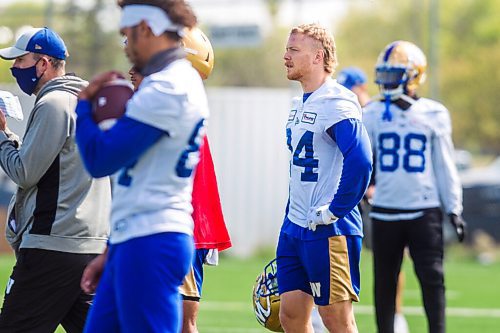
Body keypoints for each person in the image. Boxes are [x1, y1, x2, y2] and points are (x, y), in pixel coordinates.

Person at [75, 1, 209, 332]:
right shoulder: (169, 81)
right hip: (135, 237)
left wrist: (83, 107)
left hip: (152, 240)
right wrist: (113, 248)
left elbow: (100, 158)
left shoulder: (168, 87)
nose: (125, 46)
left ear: (146, 28)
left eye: (127, 35)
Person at [0, 27, 110, 332]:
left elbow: (25, 172)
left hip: (53, 246)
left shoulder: (53, 103)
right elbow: (54, 167)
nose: (14, 68)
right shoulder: (87, 102)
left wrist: (1, 137)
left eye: (20, 61)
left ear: (43, 63)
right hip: (92, 245)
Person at [128, 28, 232, 333]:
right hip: (161, 227)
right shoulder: (160, 105)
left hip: (178, 226)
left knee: (179, 322)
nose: (132, 69)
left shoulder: (173, 107)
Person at [363, 40, 466, 333]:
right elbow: (362, 161)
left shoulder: (434, 113)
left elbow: (445, 164)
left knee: (433, 279)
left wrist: (454, 208)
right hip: (385, 210)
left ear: (414, 76)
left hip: (424, 210)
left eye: (394, 74)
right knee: (384, 282)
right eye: (384, 73)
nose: (386, 80)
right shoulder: (371, 114)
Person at [277, 23, 373, 333]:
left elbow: (360, 161)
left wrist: (335, 209)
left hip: (329, 228)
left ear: (318, 57)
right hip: (295, 225)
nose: (285, 56)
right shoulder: (298, 104)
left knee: (336, 320)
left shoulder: (337, 102)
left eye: (293, 50)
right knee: (290, 316)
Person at [338, 66, 410, 333]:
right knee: (342, 255)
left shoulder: (377, 114)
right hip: (353, 197)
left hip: (378, 198)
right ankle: (338, 311)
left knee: (391, 259)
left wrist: (375, 185)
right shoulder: (346, 113)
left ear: (361, 88)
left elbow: (380, 157)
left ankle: (397, 314)